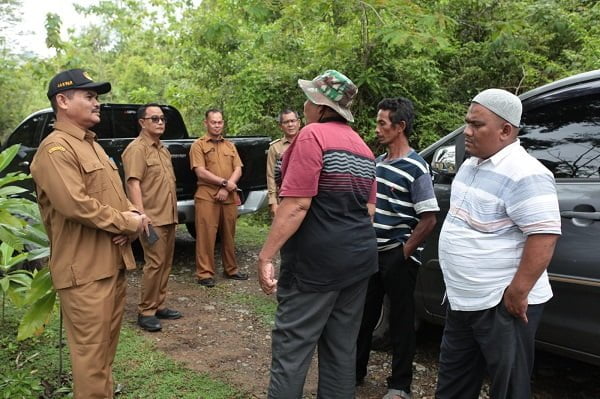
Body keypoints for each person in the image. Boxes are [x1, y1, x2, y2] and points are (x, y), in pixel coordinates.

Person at [257, 69, 378, 398]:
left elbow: (297, 204)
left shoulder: (312, 136)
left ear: (321, 106)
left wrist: (266, 254)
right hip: (358, 261)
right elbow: (368, 212)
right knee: (341, 351)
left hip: (315, 265)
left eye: (310, 99)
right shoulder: (364, 149)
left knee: (292, 350)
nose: (305, 105)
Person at [435, 89, 561, 398]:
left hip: (499, 302)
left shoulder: (527, 173)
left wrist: (518, 293)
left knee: (508, 389)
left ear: (505, 131)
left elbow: (544, 237)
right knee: (453, 382)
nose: (467, 131)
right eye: (467, 122)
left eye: (477, 125)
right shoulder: (472, 163)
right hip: (464, 299)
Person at [30, 68, 147, 399]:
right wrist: (127, 222)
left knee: (104, 358)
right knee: (92, 364)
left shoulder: (91, 146)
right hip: (84, 273)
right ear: (63, 101)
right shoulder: (56, 150)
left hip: (110, 263)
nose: (97, 103)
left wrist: (133, 216)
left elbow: (113, 195)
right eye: (90, 97)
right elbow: (76, 205)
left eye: (97, 97)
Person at [355, 97, 439, 399]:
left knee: (402, 321)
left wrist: (403, 253)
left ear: (400, 126)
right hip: (371, 253)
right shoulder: (377, 164)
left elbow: (428, 219)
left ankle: (400, 384)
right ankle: (355, 371)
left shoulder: (417, 167)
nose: (376, 129)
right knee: (364, 315)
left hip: (399, 255)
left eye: (382, 123)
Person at [122, 103, 182, 332]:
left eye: (162, 119)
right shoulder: (137, 149)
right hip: (152, 218)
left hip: (169, 216)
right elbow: (133, 183)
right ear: (142, 122)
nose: (160, 122)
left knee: (165, 263)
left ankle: (159, 304)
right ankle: (146, 311)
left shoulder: (162, 149)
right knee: (154, 263)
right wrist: (140, 214)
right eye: (154, 118)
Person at [189, 108, 248, 287]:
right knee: (206, 235)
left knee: (229, 235)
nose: (217, 125)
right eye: (213, 122)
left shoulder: (230, 146)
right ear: (205, 123)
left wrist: (227, 186)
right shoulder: (198, 145)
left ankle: (232, 269)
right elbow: (200, 172)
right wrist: (224, 183)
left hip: (228, 196)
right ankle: (205, 273)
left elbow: (238, 168)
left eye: (220, 122)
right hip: (207, 196)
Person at [266, 108, 301, 216]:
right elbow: (270, 175)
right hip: (284, 197)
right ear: (281, 126)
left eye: (292, 121)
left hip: (305, 195)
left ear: (299, 123)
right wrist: (273, 202)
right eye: (286, 122)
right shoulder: (275, 147)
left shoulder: (308, 142)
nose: (290, 125)